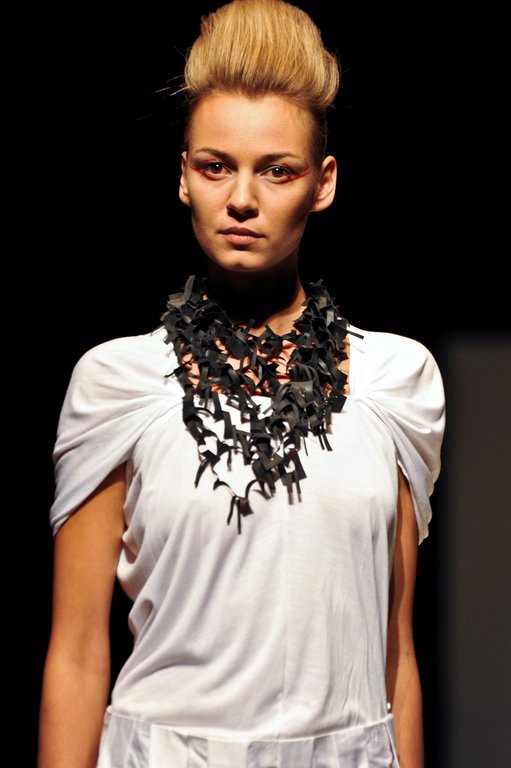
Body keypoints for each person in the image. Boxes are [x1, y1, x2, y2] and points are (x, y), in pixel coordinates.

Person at [38, 1, 445, 766]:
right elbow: (78, 654)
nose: (242, 198)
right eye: (215, 165)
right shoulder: (117, 384)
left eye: (276, 169)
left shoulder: (395, 382)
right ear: (183, 177)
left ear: (322, 183)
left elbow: (396, 657)